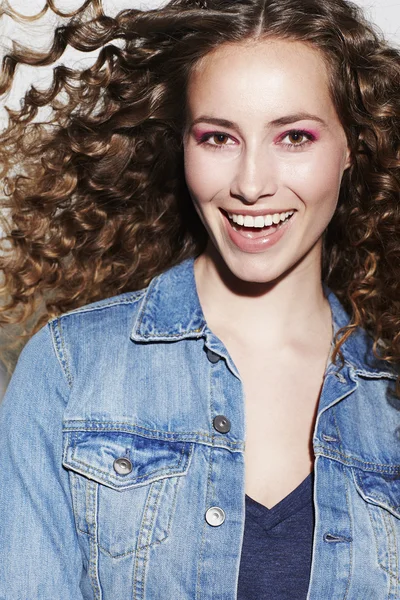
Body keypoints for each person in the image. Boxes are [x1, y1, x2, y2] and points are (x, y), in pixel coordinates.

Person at [0, 0, 399, 597]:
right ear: (182, 146)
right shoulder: (69, 370)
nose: (251, 183)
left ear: (351, 148)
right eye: (218, 137)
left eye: (294, 136)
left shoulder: (390, 401)